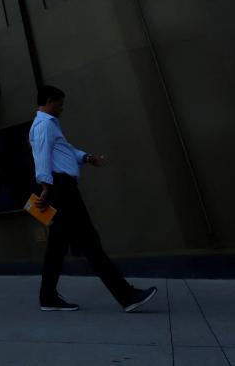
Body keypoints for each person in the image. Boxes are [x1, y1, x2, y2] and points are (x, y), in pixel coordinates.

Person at [30, 84, 158, 313]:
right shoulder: (43, 125)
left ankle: (47, 297)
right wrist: (45, 188)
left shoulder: (50, 125)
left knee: (57, 247)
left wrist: (87, 157)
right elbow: (41, 156)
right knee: (90, 241)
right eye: (60, 103)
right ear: (50, 100)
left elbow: (64, 149)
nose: (62, 108)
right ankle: (127, 296)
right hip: (61, 189)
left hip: (61, 188)